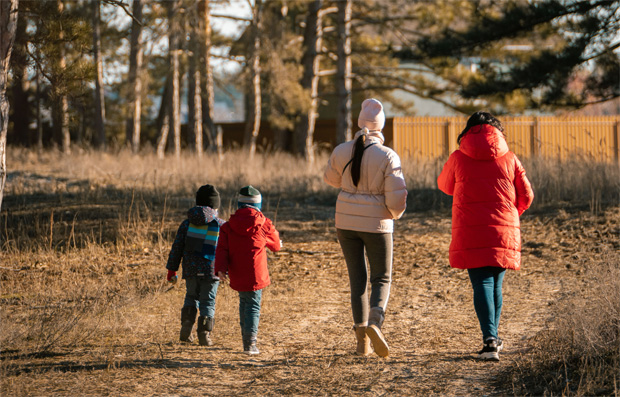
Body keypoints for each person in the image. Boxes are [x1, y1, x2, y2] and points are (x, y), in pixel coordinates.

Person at [437, 111, 534, 361]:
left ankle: (490, 340)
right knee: (496, 284)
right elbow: (527, 195)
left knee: (482, 283)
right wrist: (512, 215)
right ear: (498, 132)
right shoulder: (510, 158)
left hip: (470, 230)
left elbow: (445, 185)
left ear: (467, 131)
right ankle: (494, 337)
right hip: (503, 229)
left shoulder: (458, 157)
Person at [323, 98, 408, 358]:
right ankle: (375, 324)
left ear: (359, 123)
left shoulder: (341, 150)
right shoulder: (388, 155)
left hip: (345, 222)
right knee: (381, 278)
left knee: (357, 281)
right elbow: (396, 199)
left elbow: (330, 179)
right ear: (380, 126)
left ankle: (362, 344)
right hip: (377, 225)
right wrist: (393, 215)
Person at [215, 185, 281, 355]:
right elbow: (275, 246)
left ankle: (246, 340)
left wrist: (220, 269)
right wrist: (278, 243)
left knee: (244, 302)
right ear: (258, 205)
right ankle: (250, 344)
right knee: (252, 305)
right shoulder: (264, 224)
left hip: (237, 272)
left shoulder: (227, 227)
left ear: (239, 204)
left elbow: (221, 249)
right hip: (256, 274)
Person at [166, 184, 224, 346]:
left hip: (190, 270)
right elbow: (227, 250)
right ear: (215, 205)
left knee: (191, 297)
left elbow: (176, 248)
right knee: (208, 301)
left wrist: (172, 270)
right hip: (211, 271)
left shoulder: (186, 224)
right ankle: (204, 334)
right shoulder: (221, 225)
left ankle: (186, 326)